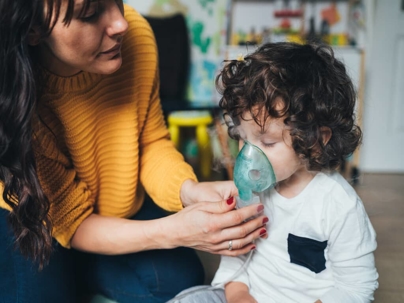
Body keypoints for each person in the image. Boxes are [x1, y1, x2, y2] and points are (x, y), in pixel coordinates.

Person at [0, 1, 269, 302]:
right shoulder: (15, 94)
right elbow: (73, 223)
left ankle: (83, 262)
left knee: (182, 281)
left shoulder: (136, 35)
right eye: (89, 14)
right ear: (34, 30)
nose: (121, 24)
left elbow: (150, 142)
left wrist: (188, 190)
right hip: (33, 214)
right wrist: (174, 231)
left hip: (112, 203)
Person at [173, 42, 378, 303]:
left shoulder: (339, 206)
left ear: (315, 140)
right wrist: (238, 295)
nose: (249, 155)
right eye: (242, 138)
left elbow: (356, 288)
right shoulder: (252, 190)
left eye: (267, 143)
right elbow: (236, 256)